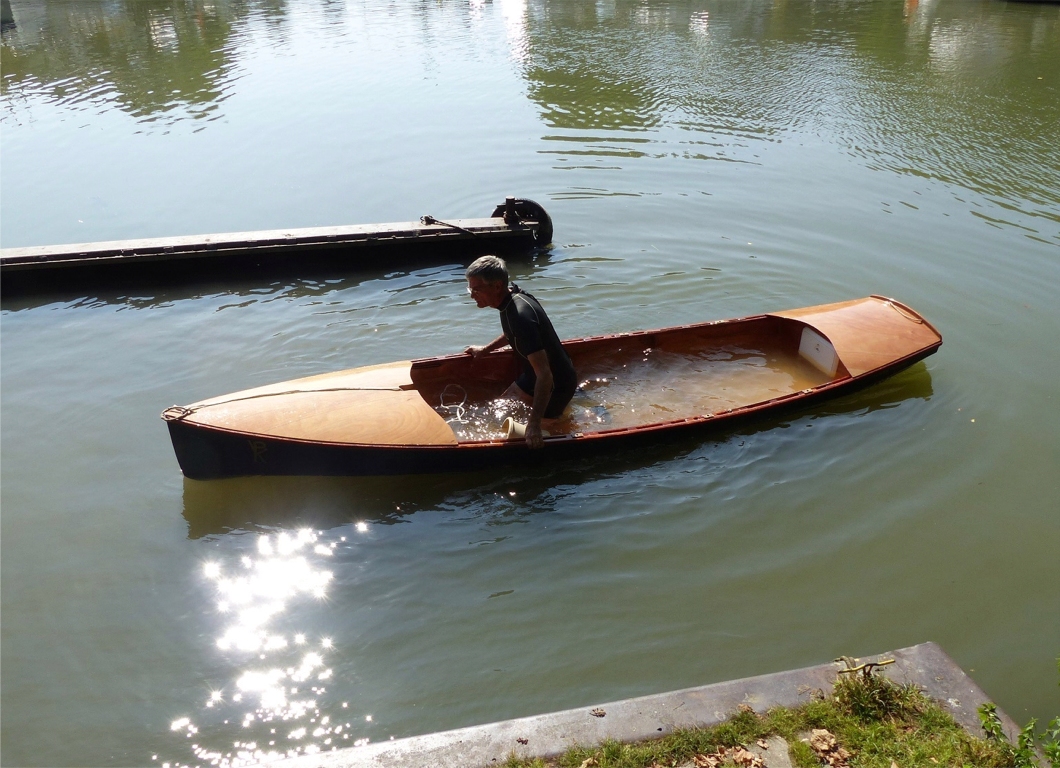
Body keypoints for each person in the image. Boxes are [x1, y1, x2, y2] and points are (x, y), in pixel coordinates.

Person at [463, 255, 577, 449]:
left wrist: (533, 425)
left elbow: (545, 374)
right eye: (469, 288)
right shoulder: (511, 300)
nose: (472, 295)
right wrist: (485, 350)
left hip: (557, 383)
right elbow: (512, 333)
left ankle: (569, 424)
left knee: (541, 434)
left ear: (497, 286)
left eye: (476, 289)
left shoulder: (520, 315)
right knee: (501, 406)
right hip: (534, 375)